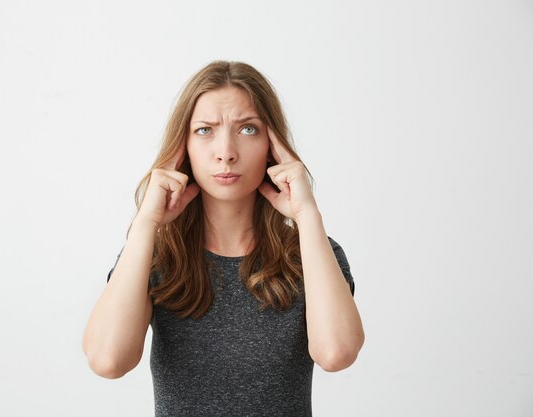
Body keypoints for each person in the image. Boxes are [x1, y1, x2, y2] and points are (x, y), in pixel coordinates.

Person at [82, 60, 365, 416]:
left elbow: (337, 353)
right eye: (204, 131)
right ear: (182, 147)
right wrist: (145, 223)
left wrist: (307, 215)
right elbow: (108, 361)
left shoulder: (310, 251)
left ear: (273, 146)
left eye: (248, 129)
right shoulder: (155, 256)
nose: (226, 152)